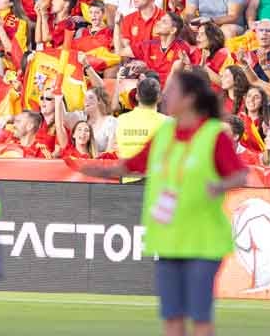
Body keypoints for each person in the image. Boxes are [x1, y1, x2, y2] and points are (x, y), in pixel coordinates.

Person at [81, 72, 248, 335]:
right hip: (168, 240)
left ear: (189, 99)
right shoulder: (165, 132)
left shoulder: (213, 134)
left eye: (173, 92)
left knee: (199, 318)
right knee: (172, 320)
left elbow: (240, 174)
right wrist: (98, 170)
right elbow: (133, 165)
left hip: (203, 242)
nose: (166, 97)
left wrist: (218, 186)